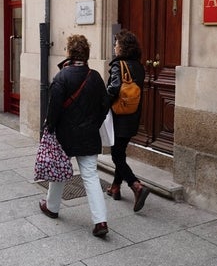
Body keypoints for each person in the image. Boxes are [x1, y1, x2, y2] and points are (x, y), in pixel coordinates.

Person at [39, 34, 110, 237]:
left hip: (64, 135)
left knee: (58, 169)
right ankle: (100, 221)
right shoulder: (95, 77)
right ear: (86, 55)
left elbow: (53, 111)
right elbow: (105, 106)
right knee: (90, 175)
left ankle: (52, 207)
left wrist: (49, 129)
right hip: (88, 134)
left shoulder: (61, 77)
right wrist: (94, 124)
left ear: (69, 53)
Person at [106, 29, 150, 212]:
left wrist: (102, 103)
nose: (115, 47)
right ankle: (115, 188)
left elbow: (114, 88)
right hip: (133, 116)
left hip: (119, 116)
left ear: (122, 47)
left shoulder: (119, 65)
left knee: (116, 155)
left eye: (116, 44)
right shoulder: (139, 66)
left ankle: (136, 185)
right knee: (121, 153)